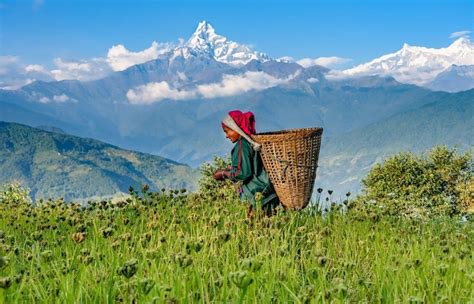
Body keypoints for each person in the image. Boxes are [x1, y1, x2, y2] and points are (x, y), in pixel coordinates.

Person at [213, 110, 280, 217]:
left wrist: (223, 173)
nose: (226, 135)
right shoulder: (251, 142)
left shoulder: (242, 145)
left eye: (227, 131)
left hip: (256, 194)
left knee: (255, 228)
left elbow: (243, 173)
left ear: (236, 128)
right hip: (268, 192)